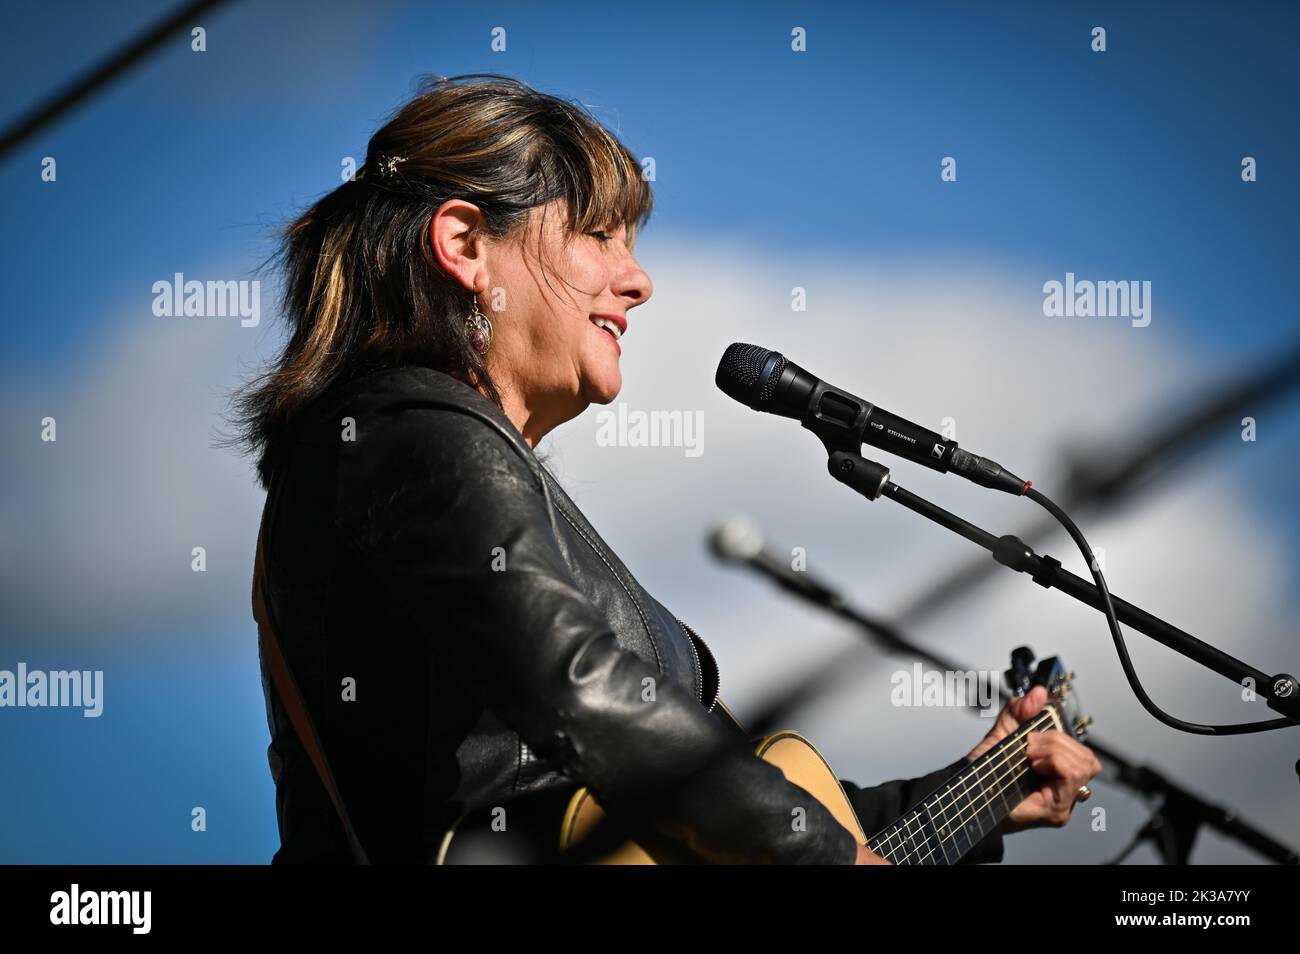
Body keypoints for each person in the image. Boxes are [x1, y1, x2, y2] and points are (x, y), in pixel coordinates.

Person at [233, 73, 1101, 865]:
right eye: (596, 234)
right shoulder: (402, 427)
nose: (638, 279)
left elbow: (705, 815)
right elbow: (576, 681)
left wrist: (973, 795)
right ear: (465, 244)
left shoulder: (428, 447)